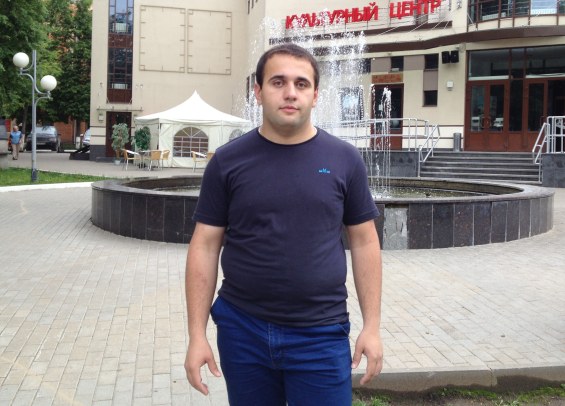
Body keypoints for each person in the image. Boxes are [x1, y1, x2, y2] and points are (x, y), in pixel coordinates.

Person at [184, 43, 383, 405]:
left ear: (315, 95)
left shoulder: (345, 159)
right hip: (243, 331)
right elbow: (205, 245)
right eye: (278, 82)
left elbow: (365, 241)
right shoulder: (227, 162)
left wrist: (372, 326)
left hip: (321, 335)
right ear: (258, 92)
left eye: (301, 84)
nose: (291, 92)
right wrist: (196, 335)